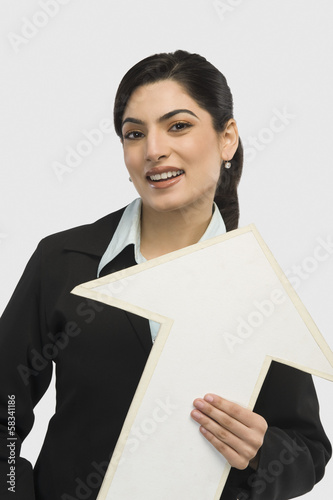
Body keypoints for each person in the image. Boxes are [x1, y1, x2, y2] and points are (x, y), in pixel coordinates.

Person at [0, 50, 330, 500]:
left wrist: (262, 451)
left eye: (178, 126)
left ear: (226, 138)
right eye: (135, 133)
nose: (154, 150)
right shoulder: (64, 260)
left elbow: (309, 452)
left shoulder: (256, 284)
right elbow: (7, 403)